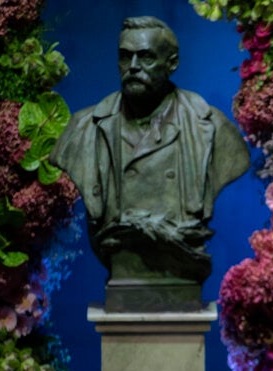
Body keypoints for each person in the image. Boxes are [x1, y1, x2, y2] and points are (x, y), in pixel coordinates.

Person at [50, 16, 250, 309]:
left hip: (181, 279)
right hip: (121, 274)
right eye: (124, 57)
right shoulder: (83, 129)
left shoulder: (212, 128)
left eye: (145, 57)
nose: (132, 67)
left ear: (171, 63)